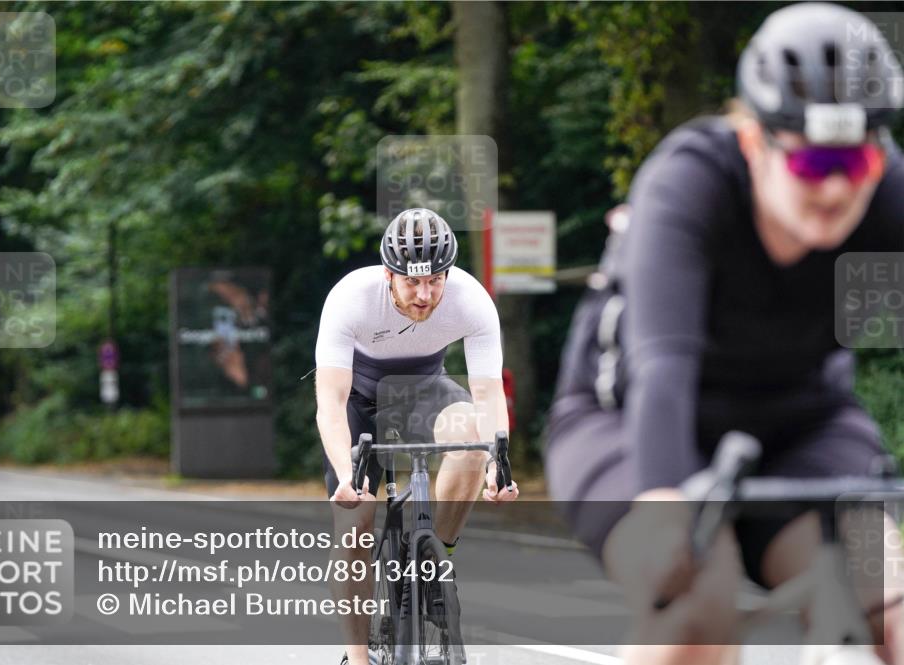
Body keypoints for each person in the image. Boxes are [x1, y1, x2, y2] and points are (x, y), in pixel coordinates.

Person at [546, 4, 903, 664]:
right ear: (753, 142)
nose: (833, 187)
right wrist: (661, 506)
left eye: (854, 164)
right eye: (812, 161)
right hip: (630, 421)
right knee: (695, 604)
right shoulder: (688, 184)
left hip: (801, 426)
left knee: (889, 595)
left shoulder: (889, 197)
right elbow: (662, 367)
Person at [315, 207, 520, 665]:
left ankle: (434, 561)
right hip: (359, 399)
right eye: (412, 282)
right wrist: (348, 476)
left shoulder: (471, 299)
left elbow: (486, 393)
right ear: (389, 274)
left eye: (435, 281)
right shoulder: (351, 297)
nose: (425, 295)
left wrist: (496, 463)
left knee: (469, 434)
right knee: (355, 530)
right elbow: (330, 399)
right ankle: (358, 656)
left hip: (426, 389)